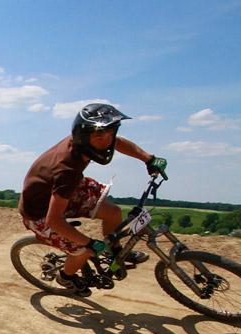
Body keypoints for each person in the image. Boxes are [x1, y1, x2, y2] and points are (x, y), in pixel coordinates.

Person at [18, 103, 168, 296]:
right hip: (39, 212)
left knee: (113, 212)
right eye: (100, 137)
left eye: (110, 133)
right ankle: (66, 277)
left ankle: (115, 253)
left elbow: (116, 142)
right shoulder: (67, 169)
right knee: (84, 249)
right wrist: (89, 243)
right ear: (84, 136)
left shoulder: (83, 142)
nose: (107, 141)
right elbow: (53, 220)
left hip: (64, 191)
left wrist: (148, 158)